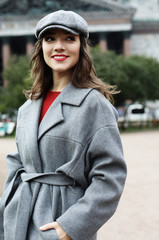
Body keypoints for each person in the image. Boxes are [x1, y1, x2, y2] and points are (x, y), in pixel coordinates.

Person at [0, 10, 127, 240]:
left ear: (81, 47)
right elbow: (18, 163)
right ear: (41, 48)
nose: (59, 46)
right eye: (50, 39)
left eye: (69, 38)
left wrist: (70, 226)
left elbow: (110, 176)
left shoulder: (94, 104)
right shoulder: (27, 107)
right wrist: (6, 209)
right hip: (18, 219)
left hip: (61, 220)